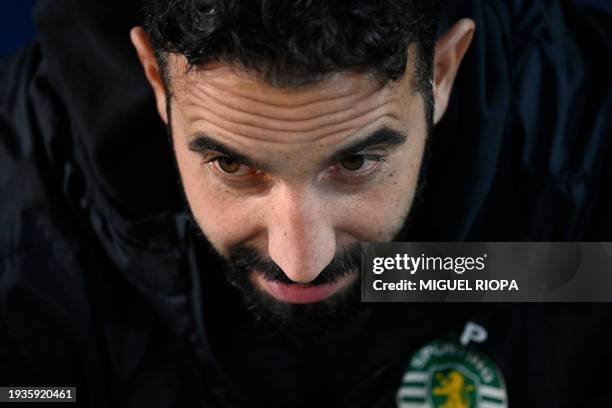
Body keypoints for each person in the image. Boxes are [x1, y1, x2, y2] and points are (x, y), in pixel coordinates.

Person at [0, 0, 610, 407]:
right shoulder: (18, 200)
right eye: (232, 165)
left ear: (442, 73)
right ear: (156, 80)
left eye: (356, 163)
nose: (301, 262)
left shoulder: (586, 159)